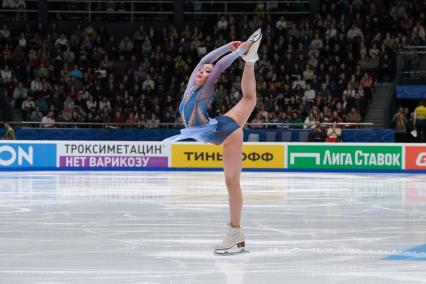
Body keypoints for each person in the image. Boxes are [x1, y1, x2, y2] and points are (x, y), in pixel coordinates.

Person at [164, 29, 262, 255]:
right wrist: (228, 48)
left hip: (227, 134)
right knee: (249, 99)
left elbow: (217, 67)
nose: (202, 71)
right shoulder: (192, 87)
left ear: (210, 79)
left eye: (206, 72)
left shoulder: (205, 90)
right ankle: (251, 62)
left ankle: (235, 234)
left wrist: (237, 51)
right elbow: (205, 60)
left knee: (231, 182)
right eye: (201, 71)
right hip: (221, 123)